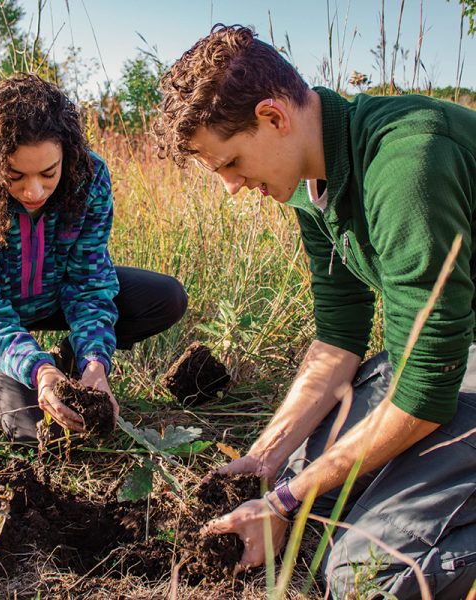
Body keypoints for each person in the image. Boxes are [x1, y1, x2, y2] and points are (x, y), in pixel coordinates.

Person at [153, 24, 476, 599]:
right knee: (309, 475)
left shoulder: (407, 167)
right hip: (455, 357)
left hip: (456, 365)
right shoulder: (311, 177)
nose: (229, 187)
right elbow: (339, 339)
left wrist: (282, 501)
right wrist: (266, 459)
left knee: (367, 573)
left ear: (274, 117)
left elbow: (423, 393)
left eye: (229, 162)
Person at [0, 73, 187, 443]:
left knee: (166, 297)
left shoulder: (90, 177)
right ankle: (6, 365)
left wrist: (95, 363)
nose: (33, 190)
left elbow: (87, 283)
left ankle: (67, 363)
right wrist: (39, 371)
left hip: (54, 296)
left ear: (65, 158)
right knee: (38, 433)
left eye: (48, 173)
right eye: (16, 175)